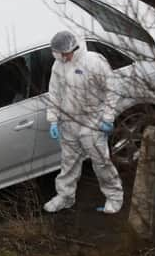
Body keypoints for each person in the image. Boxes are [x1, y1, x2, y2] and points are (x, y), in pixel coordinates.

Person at [43, 30, 124, 214]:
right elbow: (54, 93)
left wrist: (107, 118)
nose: (63, 57)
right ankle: (65, 196)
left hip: (92, 121)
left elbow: (112, 90)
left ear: (73, 48)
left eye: (64, 54)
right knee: (68, 162)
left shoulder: (94, 62)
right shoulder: (59, 65)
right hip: (69, 121)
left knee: (101, 162)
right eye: (59, 55)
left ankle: (114, 197)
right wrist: (53, 119)